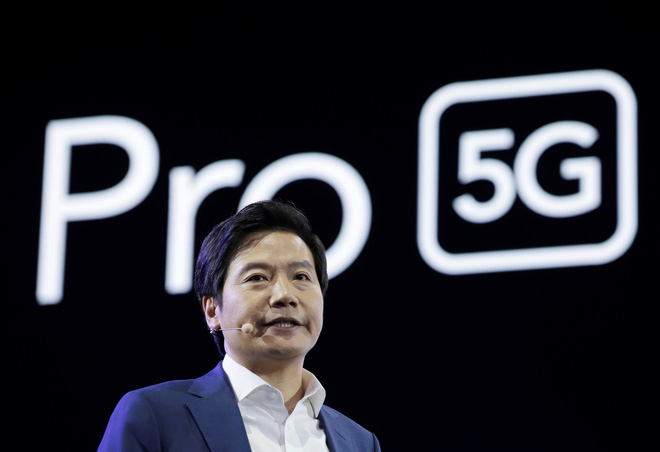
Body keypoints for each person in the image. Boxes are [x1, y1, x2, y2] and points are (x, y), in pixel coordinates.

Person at [98, 200, 381, 451]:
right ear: (212, 311)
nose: (285, 295)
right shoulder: (154, 416)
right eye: (258, 277)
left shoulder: (359, 443)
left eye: (301, 277)